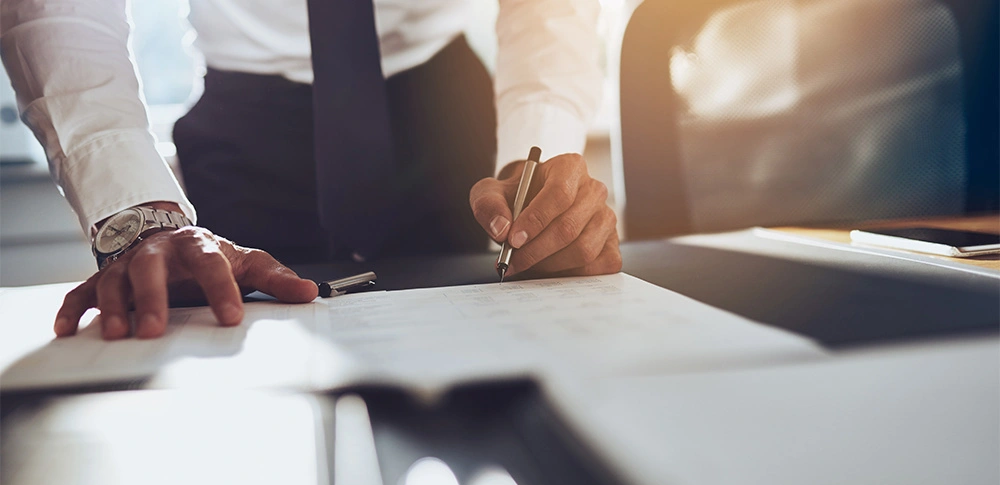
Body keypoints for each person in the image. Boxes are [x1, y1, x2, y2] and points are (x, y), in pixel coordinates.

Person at [0, 0, 621, 341]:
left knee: (482, 362)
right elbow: (58, 9)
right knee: (240, 359)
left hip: (440, 109)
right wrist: (140, 218)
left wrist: (538, 156)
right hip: (247, 124)